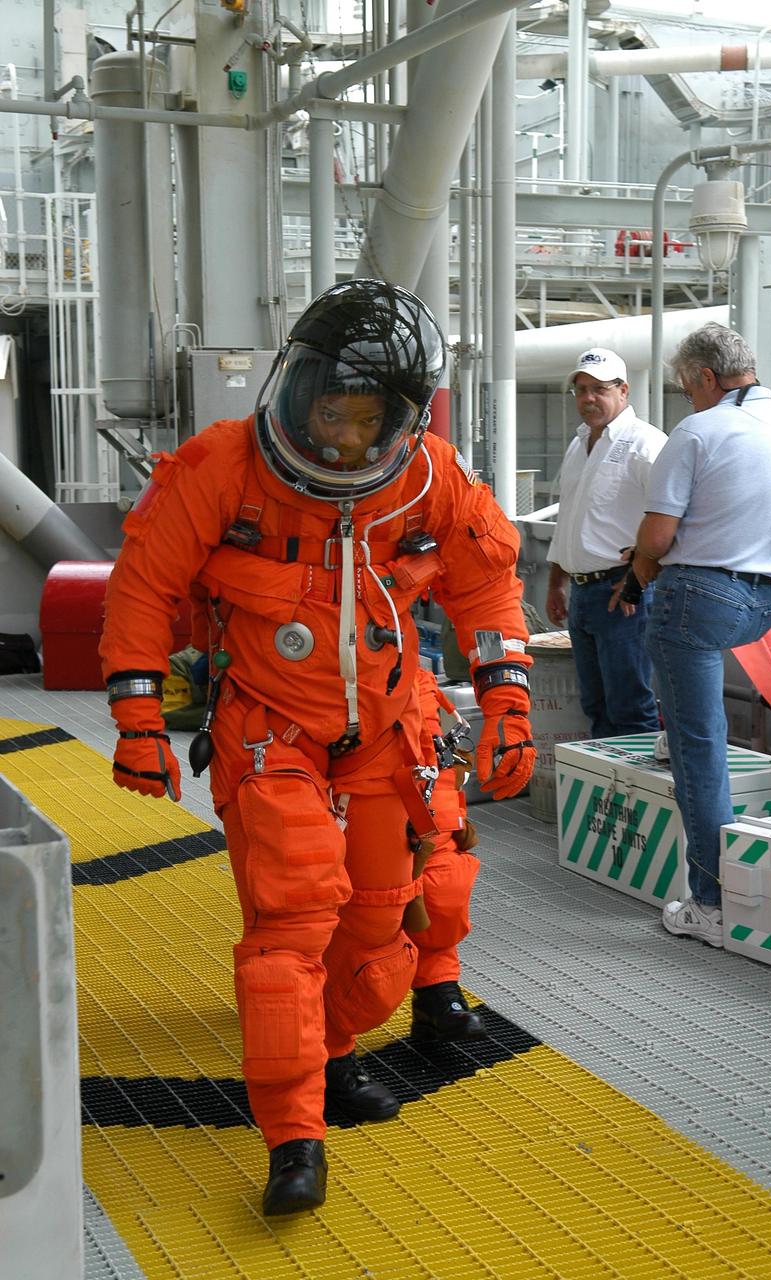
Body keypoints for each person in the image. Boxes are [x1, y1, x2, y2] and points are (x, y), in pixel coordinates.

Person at [99, 279, 536, 1217]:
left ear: (402, 420)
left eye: (362, 421)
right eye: (328, 413)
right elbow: (142, 589)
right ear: (293, 384)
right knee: (293, 920)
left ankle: (331, 1055)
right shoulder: (220, 469)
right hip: (269, 728)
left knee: (380, 925)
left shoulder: (429, 480)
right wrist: (138, 718)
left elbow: (486, 590)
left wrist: (507, 699)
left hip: (385, 732)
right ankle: (292, 1133)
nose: (340, 439)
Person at [611, 322, 771, 946]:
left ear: (706, 377)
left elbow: (656, 538)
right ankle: (674, 737)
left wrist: (637, 573)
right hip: (770, 600)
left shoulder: (699, 430)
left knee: (702, 751)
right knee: (696, 733)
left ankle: (711, 903)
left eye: (685, 387)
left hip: (698, 601)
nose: (686, 399)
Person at [545, 347, 666, 738]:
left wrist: (639, 578)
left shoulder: (645, 444)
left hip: (622, 595)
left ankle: (638, 794)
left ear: (624, 390)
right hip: (582, 595)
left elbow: (674, 516)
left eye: (599, 389)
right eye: (581, 390)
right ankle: (609, 794)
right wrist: (555, 583)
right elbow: (569, 520)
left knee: (629, 707)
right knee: (596, 706)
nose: (588, 399)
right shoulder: (579, 444)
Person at [406, 666, 485, 1042]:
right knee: (316, 895)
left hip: (405, 700)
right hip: (306, 705)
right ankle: (321, 1024)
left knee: (443, 884)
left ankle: (437, 991)